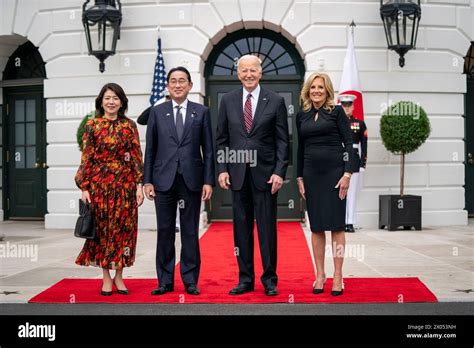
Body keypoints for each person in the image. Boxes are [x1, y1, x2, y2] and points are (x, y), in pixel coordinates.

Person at [216, 55, 289, 296]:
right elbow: (222, 139)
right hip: (237, 175)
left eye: (253, 70)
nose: (248, 74)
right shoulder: (227, 101)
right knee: (241, 230)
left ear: (261, 73)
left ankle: (269, 279)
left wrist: (280, 172)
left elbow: (282, 141)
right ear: (238, 74)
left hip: (266, 176)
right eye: (244, 70)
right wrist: (223, 168)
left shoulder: (276, 101)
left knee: (267, 229)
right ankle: (245, 278)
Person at [144, 66, 215, 296]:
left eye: (182, 81)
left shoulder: (201, 112)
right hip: (162, 181)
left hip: (191, 180)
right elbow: (151, 149)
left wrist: (208, 181)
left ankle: (190, 279)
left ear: (190, 86)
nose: (177, 85)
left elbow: (209, 150)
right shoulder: (157, 112)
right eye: (173, 81)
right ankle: (164, 281)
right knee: (164, 230)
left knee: (190, 231)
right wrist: (147, 181)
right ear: (167, 85)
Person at [75, 83, 144, 296]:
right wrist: (84, 187)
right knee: (103, 232)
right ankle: (106, 277)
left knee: (124, 231)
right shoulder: (92, 125)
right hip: (99, 186)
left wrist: (139, 185)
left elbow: (136, 157)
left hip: (125, 187)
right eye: (107, 98)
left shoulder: (129, 126)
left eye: (115, 98)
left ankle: (120, 276)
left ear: (121, 101)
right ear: (101, 101)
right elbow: (86, 157)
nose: (111, 102)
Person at [296, 72, 353, 296]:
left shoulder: (337, 112)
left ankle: (338, 274)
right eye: (313, 87)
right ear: (308, 91)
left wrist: (347, 174)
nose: (317, 91)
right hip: (311, 176)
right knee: (317, 226)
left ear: (327, 90)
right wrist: (300, 177)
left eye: (320, 87)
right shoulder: (302, 116)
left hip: (335, 175)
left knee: (337, 225)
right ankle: (320, 274)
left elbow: (348, 143)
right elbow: (299, 149)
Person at [339, 94, 368, 233]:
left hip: (354, 161)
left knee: (352, 193)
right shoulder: (336, 121)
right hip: (339, 160)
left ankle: (350, 222)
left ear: (353, 106)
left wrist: (363, 164)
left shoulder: (360, 124)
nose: (346, 108)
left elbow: (364, 145)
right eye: (344, 105)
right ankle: (340, 221)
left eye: (349, 105)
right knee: (339, 191)